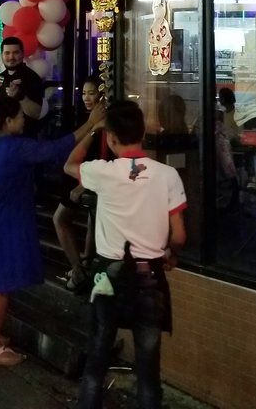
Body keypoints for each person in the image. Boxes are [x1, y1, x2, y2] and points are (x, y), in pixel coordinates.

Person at [0, 95, 105, 366]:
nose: (24, 120)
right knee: (1, 287)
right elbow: (56, 149)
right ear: (7, 121)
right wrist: (90, 124)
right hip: (5, 226)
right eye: (20, 116)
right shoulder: (16, 148)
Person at [65, 101, 187, 409]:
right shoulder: (168, 175)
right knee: (148, 373)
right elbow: (180, 235)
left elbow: (70, 164)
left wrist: (93, 130)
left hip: (107, 277)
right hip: (150, 277)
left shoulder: (102, 172)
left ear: (111, 138)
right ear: (143, 133)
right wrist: (171, 254)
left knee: (96, 362)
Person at [53, 75, 108, 292]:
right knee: (86, 220)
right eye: (84, 93)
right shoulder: (86, 119)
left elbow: (102, 158)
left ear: (102, 96)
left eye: (91, 93)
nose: (86, 98)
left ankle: (79, 269)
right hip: (78, 176)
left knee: (63, 218)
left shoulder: (102, 124)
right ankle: (81, 266)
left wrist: (84, 183)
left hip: (88, 178)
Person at [0, 37, 44, 139]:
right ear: (2, 55)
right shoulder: (1, 77)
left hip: (26, 139)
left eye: (16, 53)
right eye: (7, 53)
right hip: (3, 138)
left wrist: (20, 96)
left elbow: (36, 113)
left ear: (22, 54)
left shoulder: (32, 78)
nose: (11, 57)